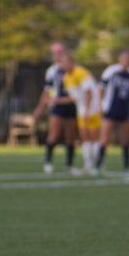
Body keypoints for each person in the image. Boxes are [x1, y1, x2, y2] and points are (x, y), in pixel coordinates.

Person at [32, 42, 78, 173]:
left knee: (71, 137)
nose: (57, 56)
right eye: (55, 53)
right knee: (54, 135)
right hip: (57, 106)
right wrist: (40, 107)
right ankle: (48, 162)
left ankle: (69, 165)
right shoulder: (53, 70)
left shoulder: (74, 70)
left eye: (60, 53)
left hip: (71, 106)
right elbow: (47, 91)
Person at [98, 49, 129, 171]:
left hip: (125, 108)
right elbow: (101, 88)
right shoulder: (111, 71)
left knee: (125, 138)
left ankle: (126, 165)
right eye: (124, 58)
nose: (126, 61)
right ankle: (99, 164)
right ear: (120, 59)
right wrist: (101, 104)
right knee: (105, 136)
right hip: (110, 107)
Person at [61, 52, 102, 175]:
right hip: (82, 109)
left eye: (65, 62)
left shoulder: (81, 73)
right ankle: (88, 164)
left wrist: (88, 110)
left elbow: (88, 93)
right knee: (84, 136)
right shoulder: (66, 77)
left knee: (93, 135)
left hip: (92, 108)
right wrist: (57, 101)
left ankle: (98, 163)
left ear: (71, 62)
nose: (63, 65)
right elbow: (74, 97)